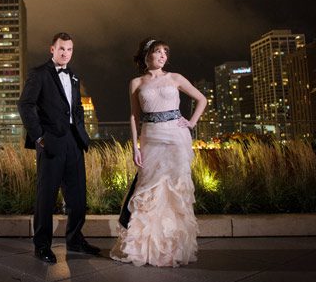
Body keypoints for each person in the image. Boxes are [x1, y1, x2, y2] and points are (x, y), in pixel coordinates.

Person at [110, 38, 206, 267]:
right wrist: (135, 147)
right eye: (158, 52)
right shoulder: (136, 83)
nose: (163, 55)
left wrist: (191, 122)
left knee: (174, 191)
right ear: (146, 56)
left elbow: (202, 99)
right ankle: (144, 248)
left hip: (176, 137)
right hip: (150, 138)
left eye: (165, 52)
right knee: (148, 192)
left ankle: (172, 249)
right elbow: (134, 116)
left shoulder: (175, 78)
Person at [18, 32, 101, 264]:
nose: (66, 53)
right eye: (61, 49)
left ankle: (75, 239)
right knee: (46, 197)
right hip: (51, 142)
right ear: (52, 49)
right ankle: (42, 245)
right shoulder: (39, 74)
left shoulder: (73, 76)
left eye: (70, 49)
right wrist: (39, 137)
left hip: (74, 142)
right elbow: (25, 105)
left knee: (77, 197)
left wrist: (81, 132)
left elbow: (76, 108)